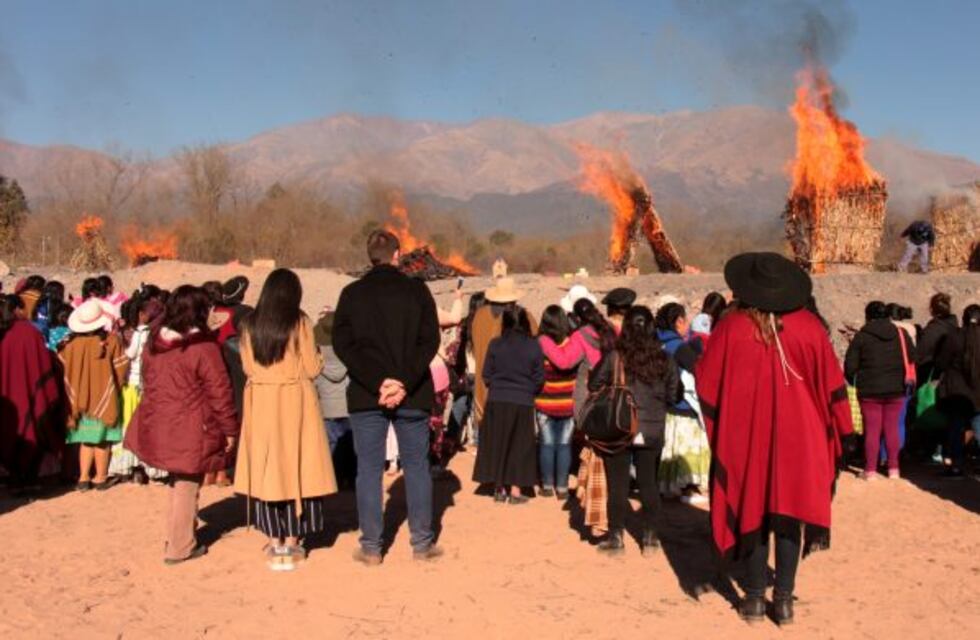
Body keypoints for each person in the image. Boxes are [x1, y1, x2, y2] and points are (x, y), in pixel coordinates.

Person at [696, 252, 854, 625]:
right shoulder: (810, 328)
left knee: (753, 509)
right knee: (789, 516)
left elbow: (706, 381)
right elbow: (833, 386)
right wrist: (844, 433)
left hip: (746, 437)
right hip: (803, 437)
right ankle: (783, 602)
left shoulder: (731, 328)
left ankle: (753, 600)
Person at [333, 230, 442, 565]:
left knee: (368, 469)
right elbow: (430, 340)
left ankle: (371, 547)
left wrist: (378, 382)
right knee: (416, 467)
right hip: (413, 393)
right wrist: (403, 382)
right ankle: (422, 543)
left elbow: (343, 345)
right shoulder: (417, 291)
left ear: (370, 257)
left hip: (367, 395)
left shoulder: (351, 294)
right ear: (397, 254)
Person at [124, 286, 239, 565]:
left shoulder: (154, 344)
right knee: (187, 484)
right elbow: (220, 392)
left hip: (160, 421)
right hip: (191, 425)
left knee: (178, 483)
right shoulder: (203, 349)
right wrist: (230, 428)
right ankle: (180, 546)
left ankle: (179, 535)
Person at [234, 269, 337, 571]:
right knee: (297, 467)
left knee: (268, 469)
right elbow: (312, 367)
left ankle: (274, 539)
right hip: (295, 400)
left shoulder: (249, 324)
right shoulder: (300, 321)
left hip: (261, 402)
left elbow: (247, 366)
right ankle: (293, 541)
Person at [589, 306, 680, 556]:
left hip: (620, 425)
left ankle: (616, 539)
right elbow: (674, 395)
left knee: (617, 485)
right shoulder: (665, 359)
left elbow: (594, 383)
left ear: (626, 327)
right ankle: (650, 539)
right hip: (652, 429)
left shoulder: (615, 357)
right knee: (648, 483)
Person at [473, 306, 544, 504]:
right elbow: (539, 378)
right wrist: (528, 391)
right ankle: (515, 490)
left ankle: (499, 487)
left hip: (497, 399)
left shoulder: (495, 344)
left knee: (498, 442)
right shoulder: (533, 346)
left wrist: (498, 387)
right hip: (522, 400)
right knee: (519, 445)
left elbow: (486, 375)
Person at [59, 298, 129, 491]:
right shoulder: (110, 341)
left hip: (78, 401)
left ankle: (83, 478)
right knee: (102, 440)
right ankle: (100, 477)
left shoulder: (69, 344)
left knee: (86, 440)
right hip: (104, 397)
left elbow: (62, 368)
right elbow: (121, 368)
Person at [845, 301, 916, 480]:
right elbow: (913, 357)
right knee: (892, 428)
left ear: (868, 316)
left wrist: (858, 381)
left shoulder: (861, 337)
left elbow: (850, 367)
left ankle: (870, 470)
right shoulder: (901, 334)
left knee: (872, 430)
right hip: (896, 389)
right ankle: (894, 469)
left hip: (869, 390)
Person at [0, 294, 65, 486]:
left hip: (6, 397)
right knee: (31, 429)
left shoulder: (4, 333)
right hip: (28, 394)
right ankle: (27, 479)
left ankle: (10, 477)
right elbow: (42, 365)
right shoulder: (29, 332)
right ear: (17, 309)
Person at [109, 294, 167, 483]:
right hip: (152, 386)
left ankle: (133, 467)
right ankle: (152, 469)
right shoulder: (161, 333)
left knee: (130, 428)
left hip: (134, 386)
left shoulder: (141, 333)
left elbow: (131, 354)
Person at [656, 302, 711, 502]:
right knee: (688, 449)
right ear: (679, 321)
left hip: (667, 406)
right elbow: (698, 369)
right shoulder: (679, 347)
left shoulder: (659, 343)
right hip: (684, 405)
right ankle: (687, 486)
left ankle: (670, 485)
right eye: (685, 320)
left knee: (672, 447)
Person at [470, 272, 537, 425]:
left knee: (487, 434)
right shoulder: (523, 317)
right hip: (514, 393)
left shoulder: (479, 315)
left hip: (483, 390)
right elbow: (535, 348)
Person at [535, 305, 578, 499]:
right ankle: (562, 488)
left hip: (545, 402)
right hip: (568, 403)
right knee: (564, 445)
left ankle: (546, 486)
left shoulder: (540, 344)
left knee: (546, 444)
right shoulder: (573, 345)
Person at [934, 304, 980, 476]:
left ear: (964, 318)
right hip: (978, 392)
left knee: (956, 428)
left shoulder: (954, 337)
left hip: (956, 390)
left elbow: (941, 363)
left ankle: (956, 465)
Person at [314, 309, 354, 485]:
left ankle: (334, 479)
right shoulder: (349, 356)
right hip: (348, 405)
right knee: (351, 443)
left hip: (327, 407)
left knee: (331, 443)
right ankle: (351, 478)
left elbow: (315, 384)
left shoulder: (318, 359)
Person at [917, 293, 958, 382]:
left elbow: (920, 354)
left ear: (932, 309)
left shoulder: (933, 329)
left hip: (932, 377)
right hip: (950, 377)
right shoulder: (954, 327)